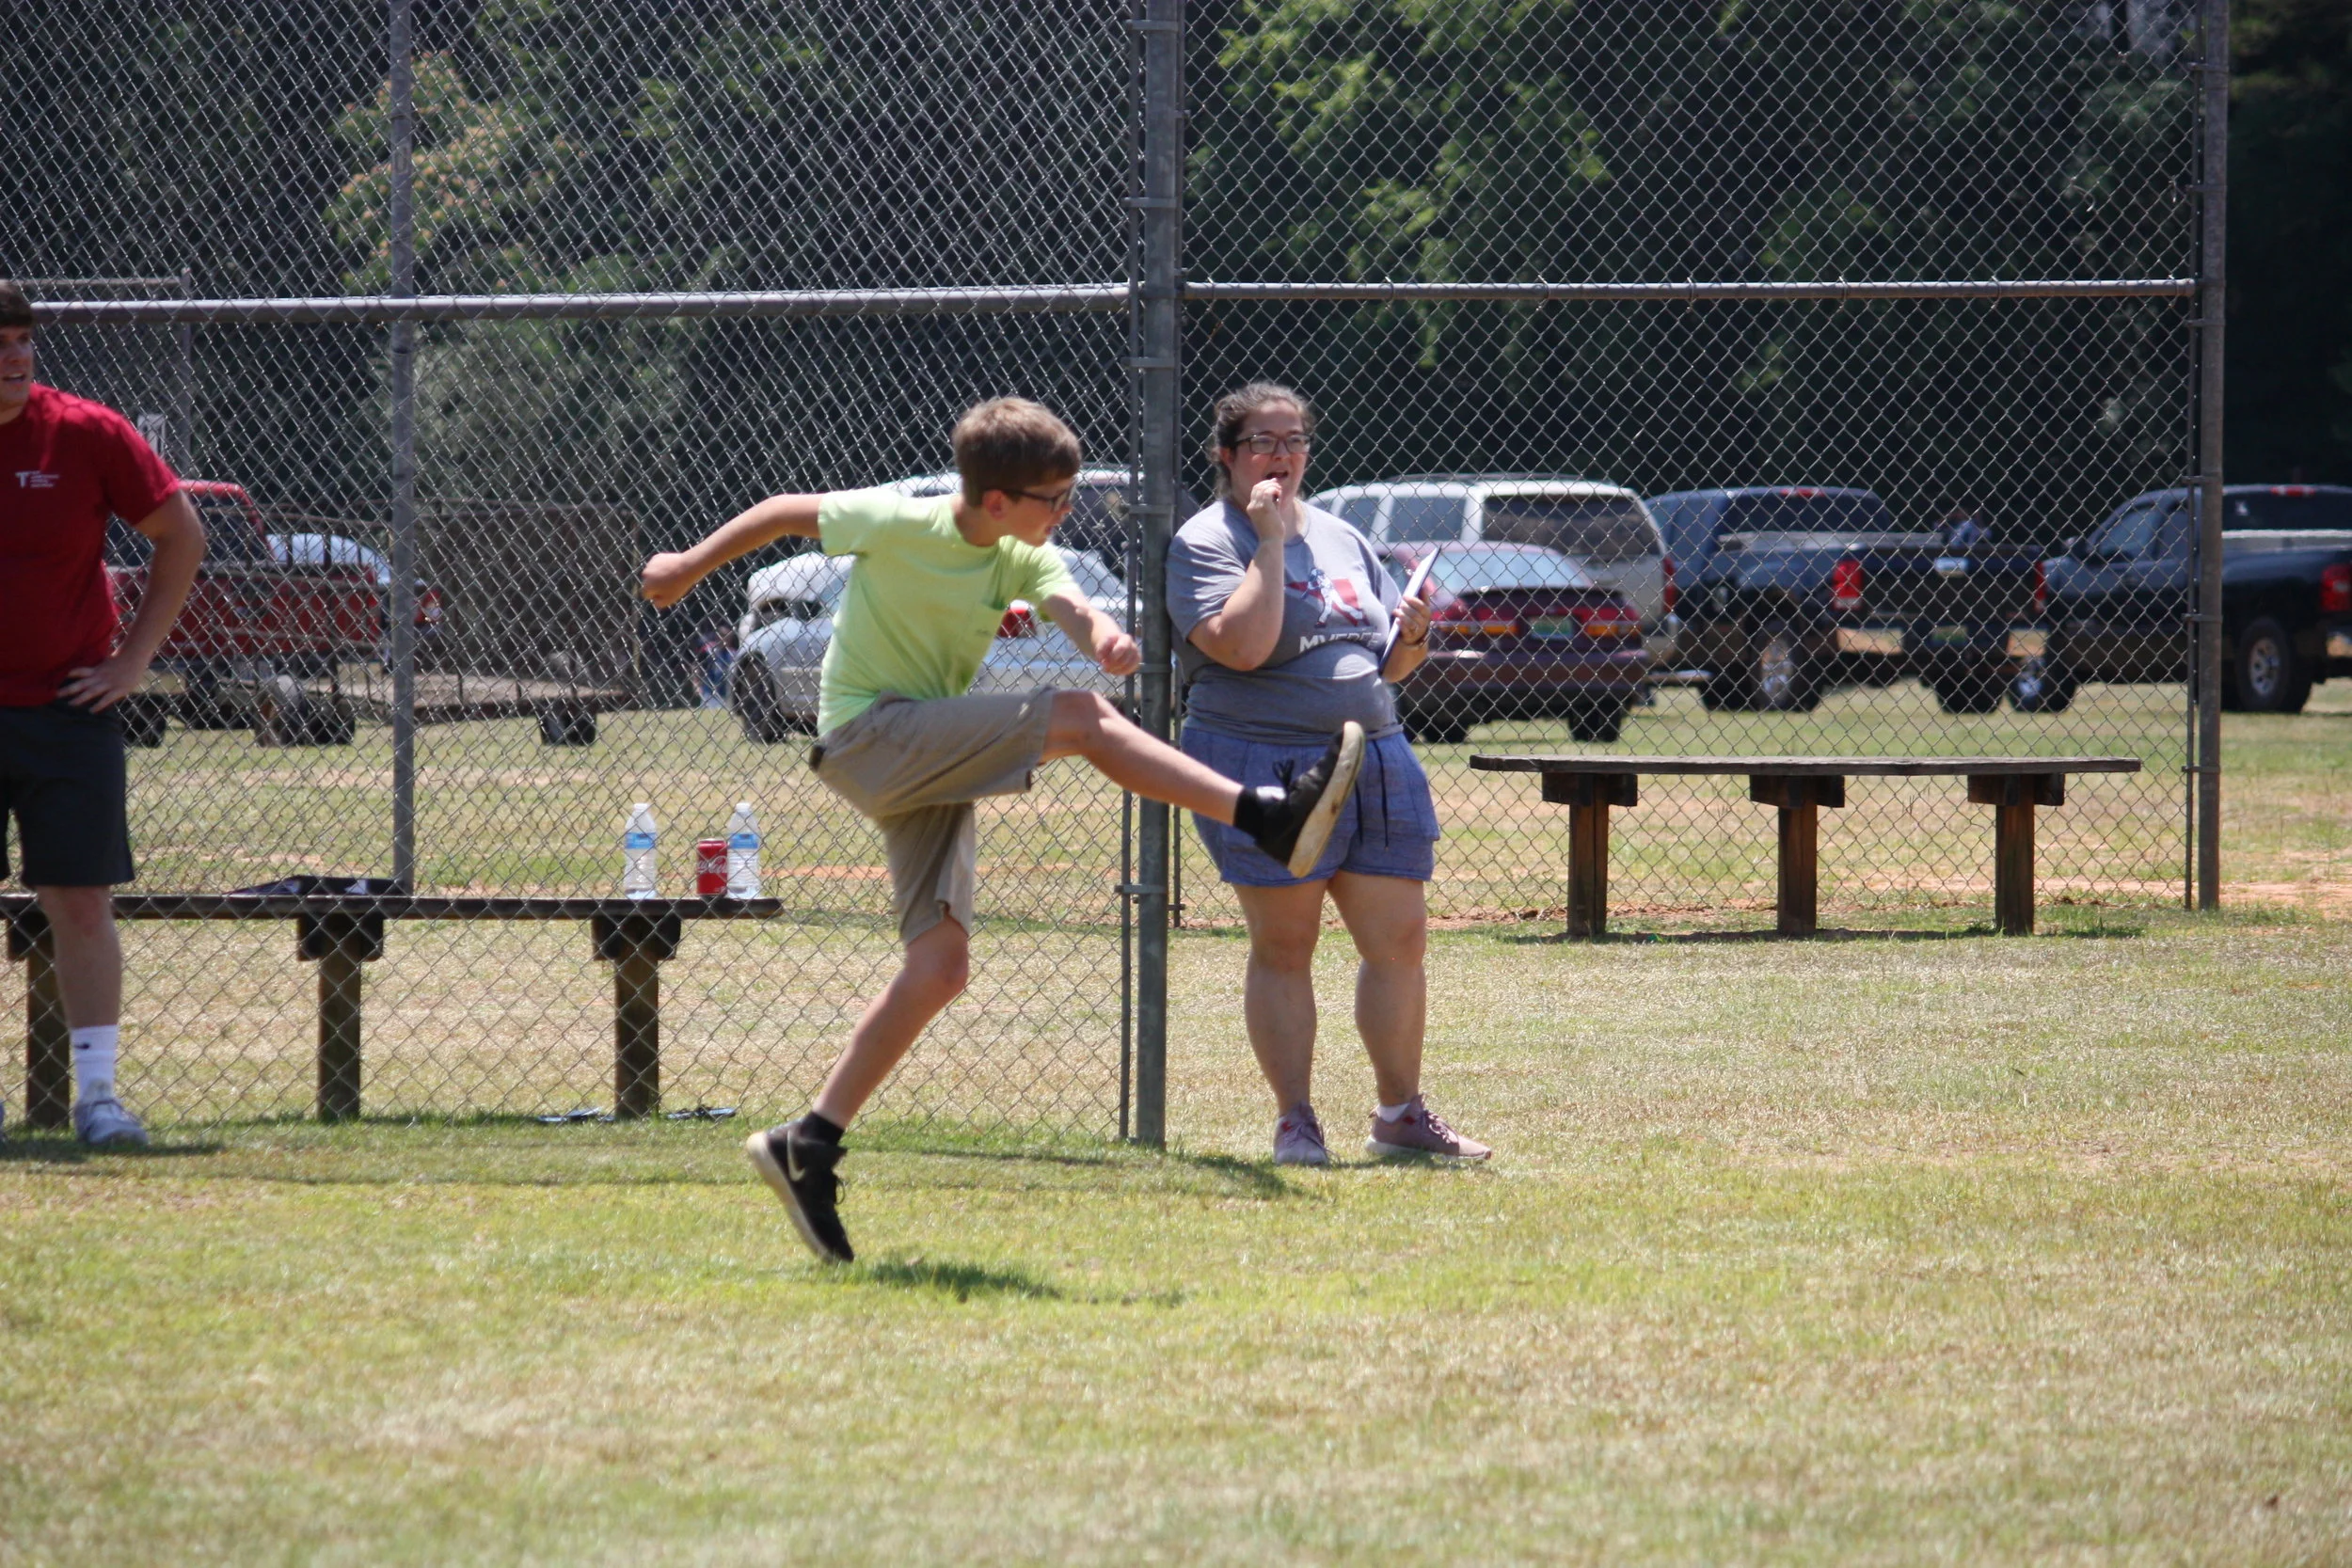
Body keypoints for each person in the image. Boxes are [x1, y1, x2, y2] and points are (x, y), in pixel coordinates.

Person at [640, 397, 1365, 1262]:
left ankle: (809, 1144)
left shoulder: (1019, 551)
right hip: (870, 735)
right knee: (1085, 720)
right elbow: (786, 514)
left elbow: (1069, 603)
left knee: (941, 965)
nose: (1063, 516)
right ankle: (1266, 816)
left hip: (922, 749)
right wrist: (687, 565)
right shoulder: (899, 521)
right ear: (995, 501)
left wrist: (1104, 634)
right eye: (1052, 501)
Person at [1168, 382, 1490, 1166]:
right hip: (1261, 755)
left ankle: (1399, 1114)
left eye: (1295, 440)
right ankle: (1296, 1119)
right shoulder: (1206, 541)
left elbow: (1393, 664)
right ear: (1227, 455)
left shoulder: (1346, 535)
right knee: (1287, 943)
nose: (1282, 456)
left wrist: (1412, 635)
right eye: (1264, 443)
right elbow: (1241, 646)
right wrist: (1269, 540)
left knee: (1400, 939)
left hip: (1375, 749)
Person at [0, 280, 206, 1147]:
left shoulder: (86, 431)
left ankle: (98, 1098)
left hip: (65, 707)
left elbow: (182, 536)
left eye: (21, 342)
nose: (13, 358)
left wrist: (132, 661)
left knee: (80, 901)